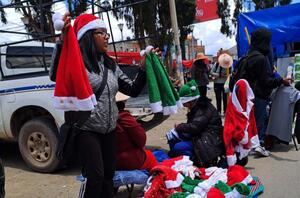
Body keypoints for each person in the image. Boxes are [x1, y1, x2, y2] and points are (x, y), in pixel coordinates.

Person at [51, 13, 150, 198]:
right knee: (95, 176)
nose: (106, 37)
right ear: (88, 36)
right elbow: (56, 74)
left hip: (110, 130)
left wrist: (144, 67)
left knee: (108, 176)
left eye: (107, 33)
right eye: (101, 32)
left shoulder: (110, 64)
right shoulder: (75, 61)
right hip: (86, 129)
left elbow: (132, 88)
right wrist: (62, 43)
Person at [241, 28, 290, 142]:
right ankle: (259, 144)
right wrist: (281, 81)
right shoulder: (261, 58)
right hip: (259, 95)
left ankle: (254, 142)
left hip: (250, 95)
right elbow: (266, 81)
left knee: (253, 121)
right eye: (267, 41)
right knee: (259, 121)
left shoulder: (249, 55)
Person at [166, 80, 224, 167]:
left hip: (208, 141)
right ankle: (179, 159)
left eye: (184, 102)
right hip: (201, 136)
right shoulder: (197, 106)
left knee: (178, 147)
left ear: (190, 101)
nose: (184, 105)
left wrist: (180, 127)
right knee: (171, 137)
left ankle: (195, 161)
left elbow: (195, 127)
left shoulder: (202, 108)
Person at [115, 92, 158, 171]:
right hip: (126, 159)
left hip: (106, 160)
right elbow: (141, 140)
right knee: (150, 157)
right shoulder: (124, 117)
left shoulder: (101, 117)